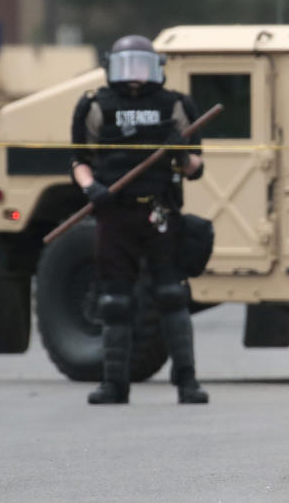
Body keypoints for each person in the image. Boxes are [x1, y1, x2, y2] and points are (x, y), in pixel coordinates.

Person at [70, 35, 209, 405]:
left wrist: (180, 152)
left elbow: (196, 168)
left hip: (159, 212)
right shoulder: (95, 106)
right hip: (113, 213)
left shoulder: (175, 106)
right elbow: (78, 160)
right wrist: (90, 188)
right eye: (125, 68)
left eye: (141, 68)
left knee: (171, 295)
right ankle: (114, 384)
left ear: (156, 69)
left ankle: (187, 382)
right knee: (114, 300)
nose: (134, 77)